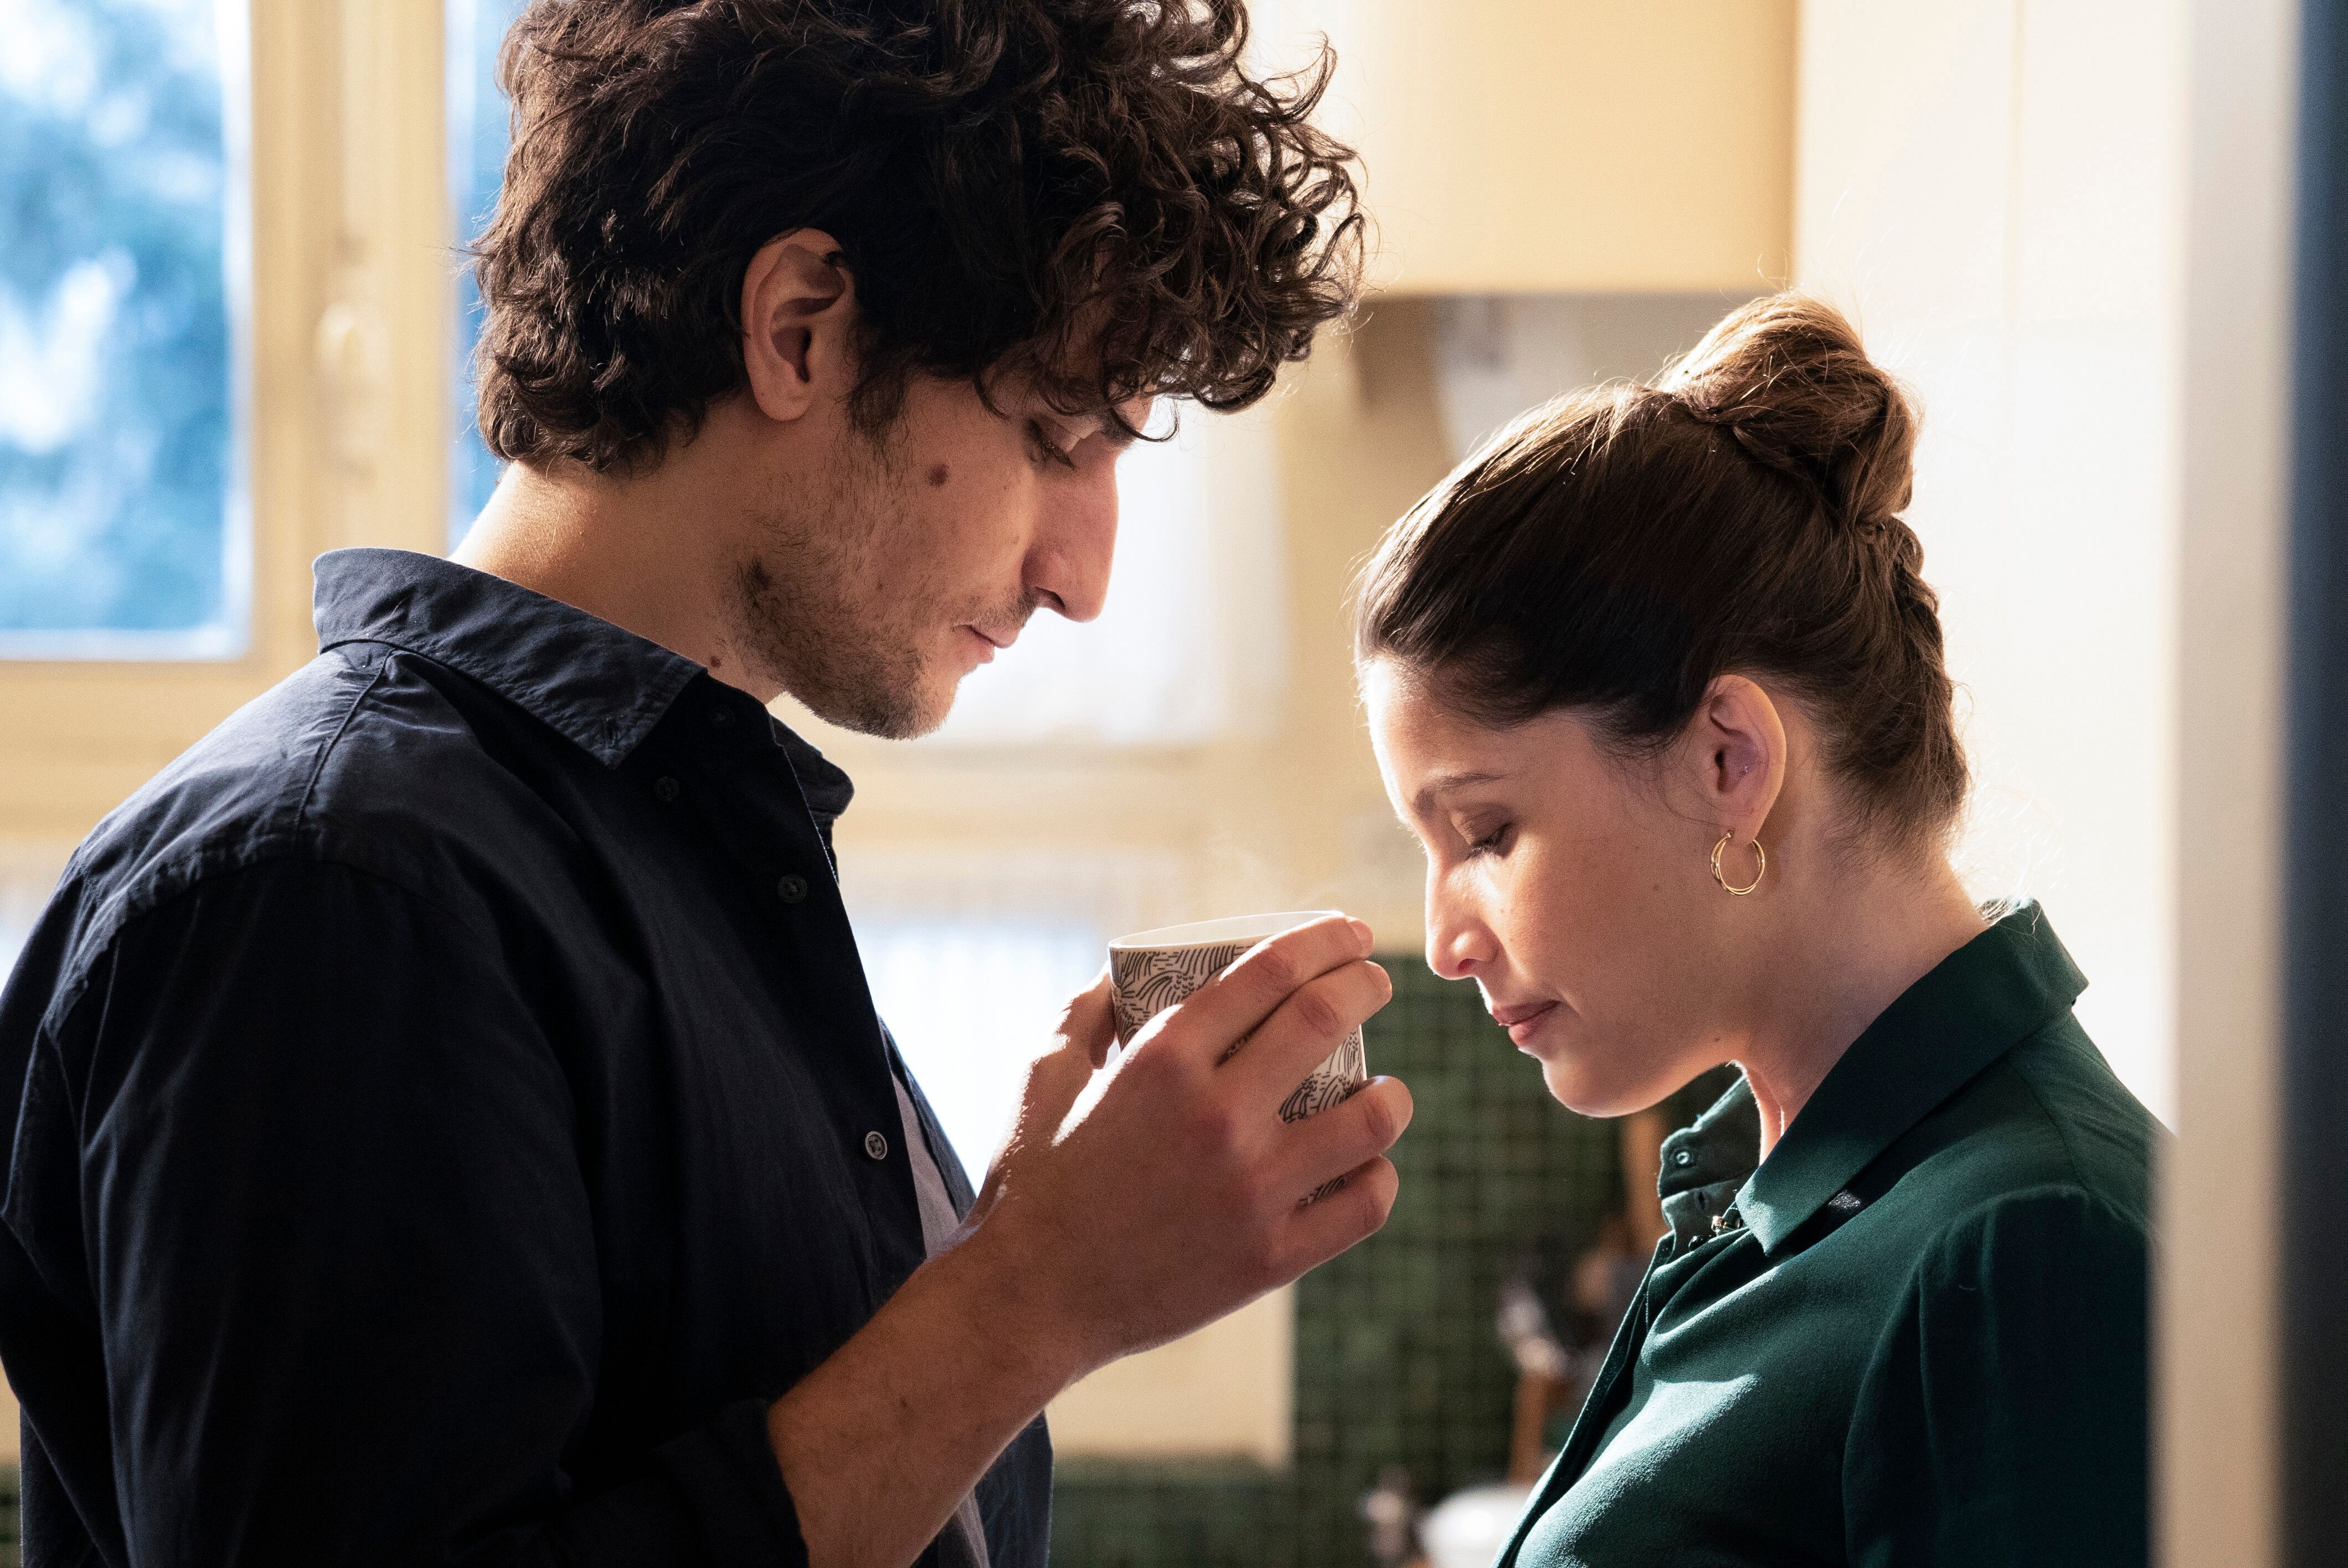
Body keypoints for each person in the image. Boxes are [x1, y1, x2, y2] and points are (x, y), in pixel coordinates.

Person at [0, 2, 1416, 1564]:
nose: (1083, 578)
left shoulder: (670, 842)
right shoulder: (335, 890)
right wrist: (1032, 1306)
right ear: (800, 326)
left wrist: (1019, 1263)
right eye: (1058, 432)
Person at [1354, 295, 2159, 1565]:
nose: (1443, 940)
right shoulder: (1758, 1196)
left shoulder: (2025, 1249)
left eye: (1487, 834)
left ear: (1729, 761)